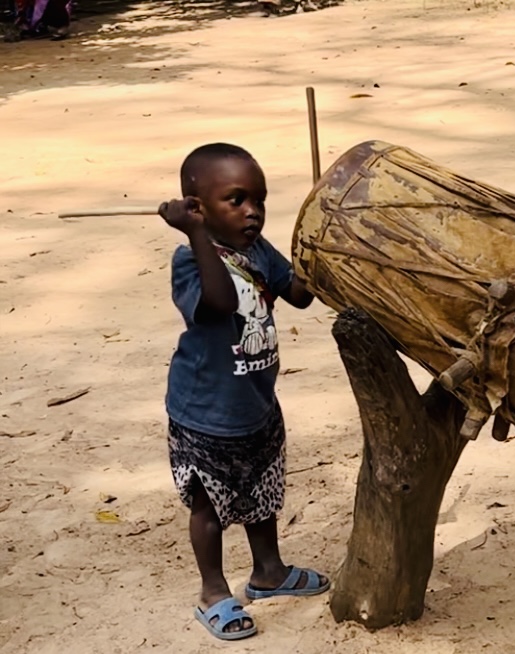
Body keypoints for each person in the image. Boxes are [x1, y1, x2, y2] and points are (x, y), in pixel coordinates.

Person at [159, 143, 329, 641]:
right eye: (236, 200)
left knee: (262, 495)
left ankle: (268, 572)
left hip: (256, 405)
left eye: (260, 200)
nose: (252, 211)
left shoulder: (258, 250)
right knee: (208, 509)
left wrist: (318, 243)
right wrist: (195, 235)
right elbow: (218, 302)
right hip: (205, 413)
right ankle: (213, 591)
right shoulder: (190, 262)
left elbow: (298, 295)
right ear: (197, 206)